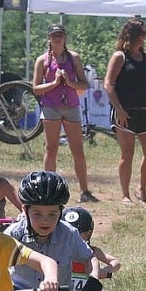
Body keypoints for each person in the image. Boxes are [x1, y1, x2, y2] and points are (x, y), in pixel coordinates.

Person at [31, 23, 97, 204]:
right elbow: (36, 88)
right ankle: (48, 190)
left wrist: (68, 81)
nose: (57, 38)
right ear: (49, 39)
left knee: (78, 149)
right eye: (54, 35)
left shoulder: (74, 58)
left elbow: (83, 85)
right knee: (51, 148)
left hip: (71, 107)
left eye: (60, 35)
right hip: (51, 106)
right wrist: (54, 83)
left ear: (65, 37)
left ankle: (85, 191)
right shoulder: (42, 60)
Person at [104, 18, 146, 205]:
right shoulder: (120, 56)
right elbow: (108, 84)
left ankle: (141, 188)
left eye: (145, 33)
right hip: (125, 112)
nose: (144, 37)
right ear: (132, 34)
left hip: (145, 110)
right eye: (141, 33)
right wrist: (118, 109)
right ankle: (125, 195)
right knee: (127, 154)